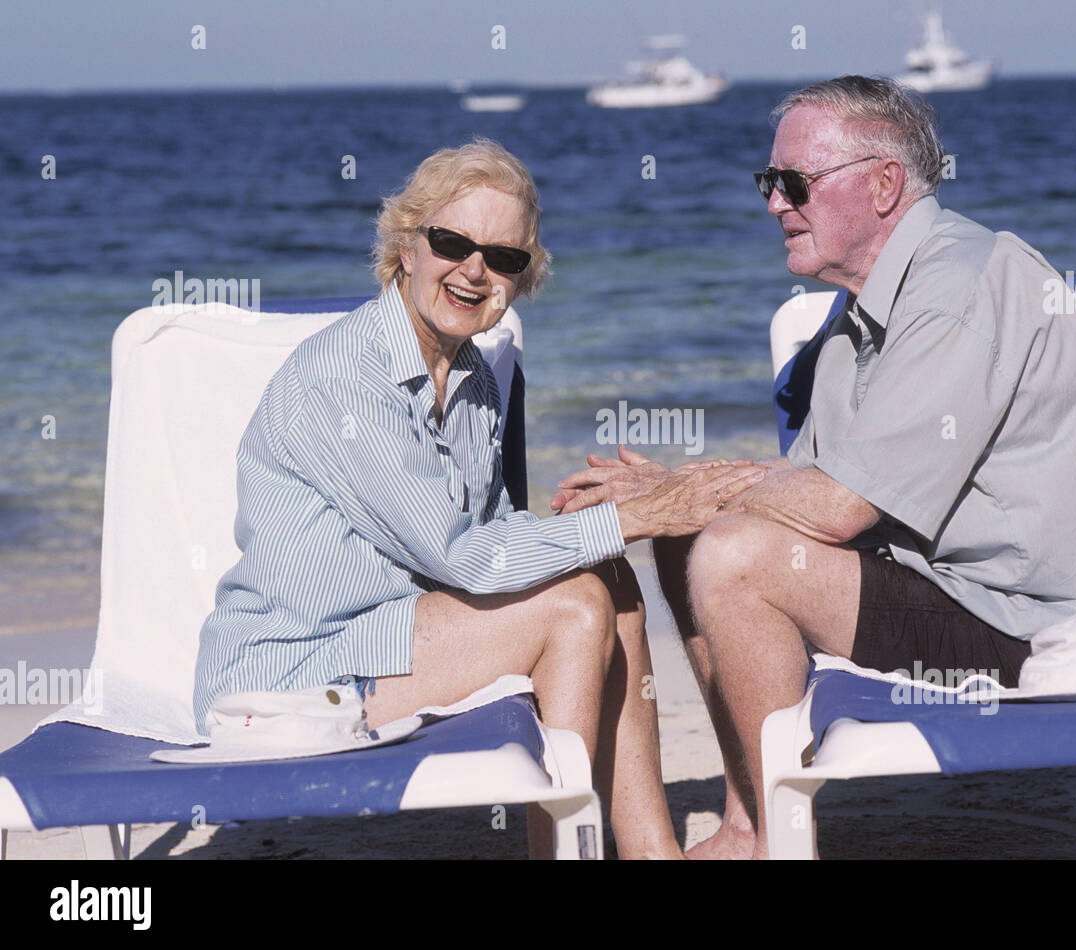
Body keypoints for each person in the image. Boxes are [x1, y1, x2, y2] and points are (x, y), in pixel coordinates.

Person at [553, 77, 1076, 859]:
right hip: (930, 584)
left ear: (884, 183)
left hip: (1018, 622)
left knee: (729, 552)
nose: (773, 204)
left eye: (793, 183)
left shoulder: (962, 283)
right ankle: (752, 821)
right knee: (694, 537)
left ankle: (782, 844)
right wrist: (674, 498)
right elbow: (812, 491)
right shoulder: (856, 319)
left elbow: (838, 508)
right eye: (769, 182)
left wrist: (685, 494)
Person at [193, 139, 765, 859]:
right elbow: (463, 558)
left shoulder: (473, 379)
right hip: (287, 675)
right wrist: (640, 515)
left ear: (522, 279)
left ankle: (652, 854)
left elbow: (486, 540)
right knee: (577, 602)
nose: (475, 270)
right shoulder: (342, 380)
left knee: (609, 581)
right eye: (453, 242)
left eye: (503, 257)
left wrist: (598, 521)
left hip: (389, 636)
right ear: (407, 248)